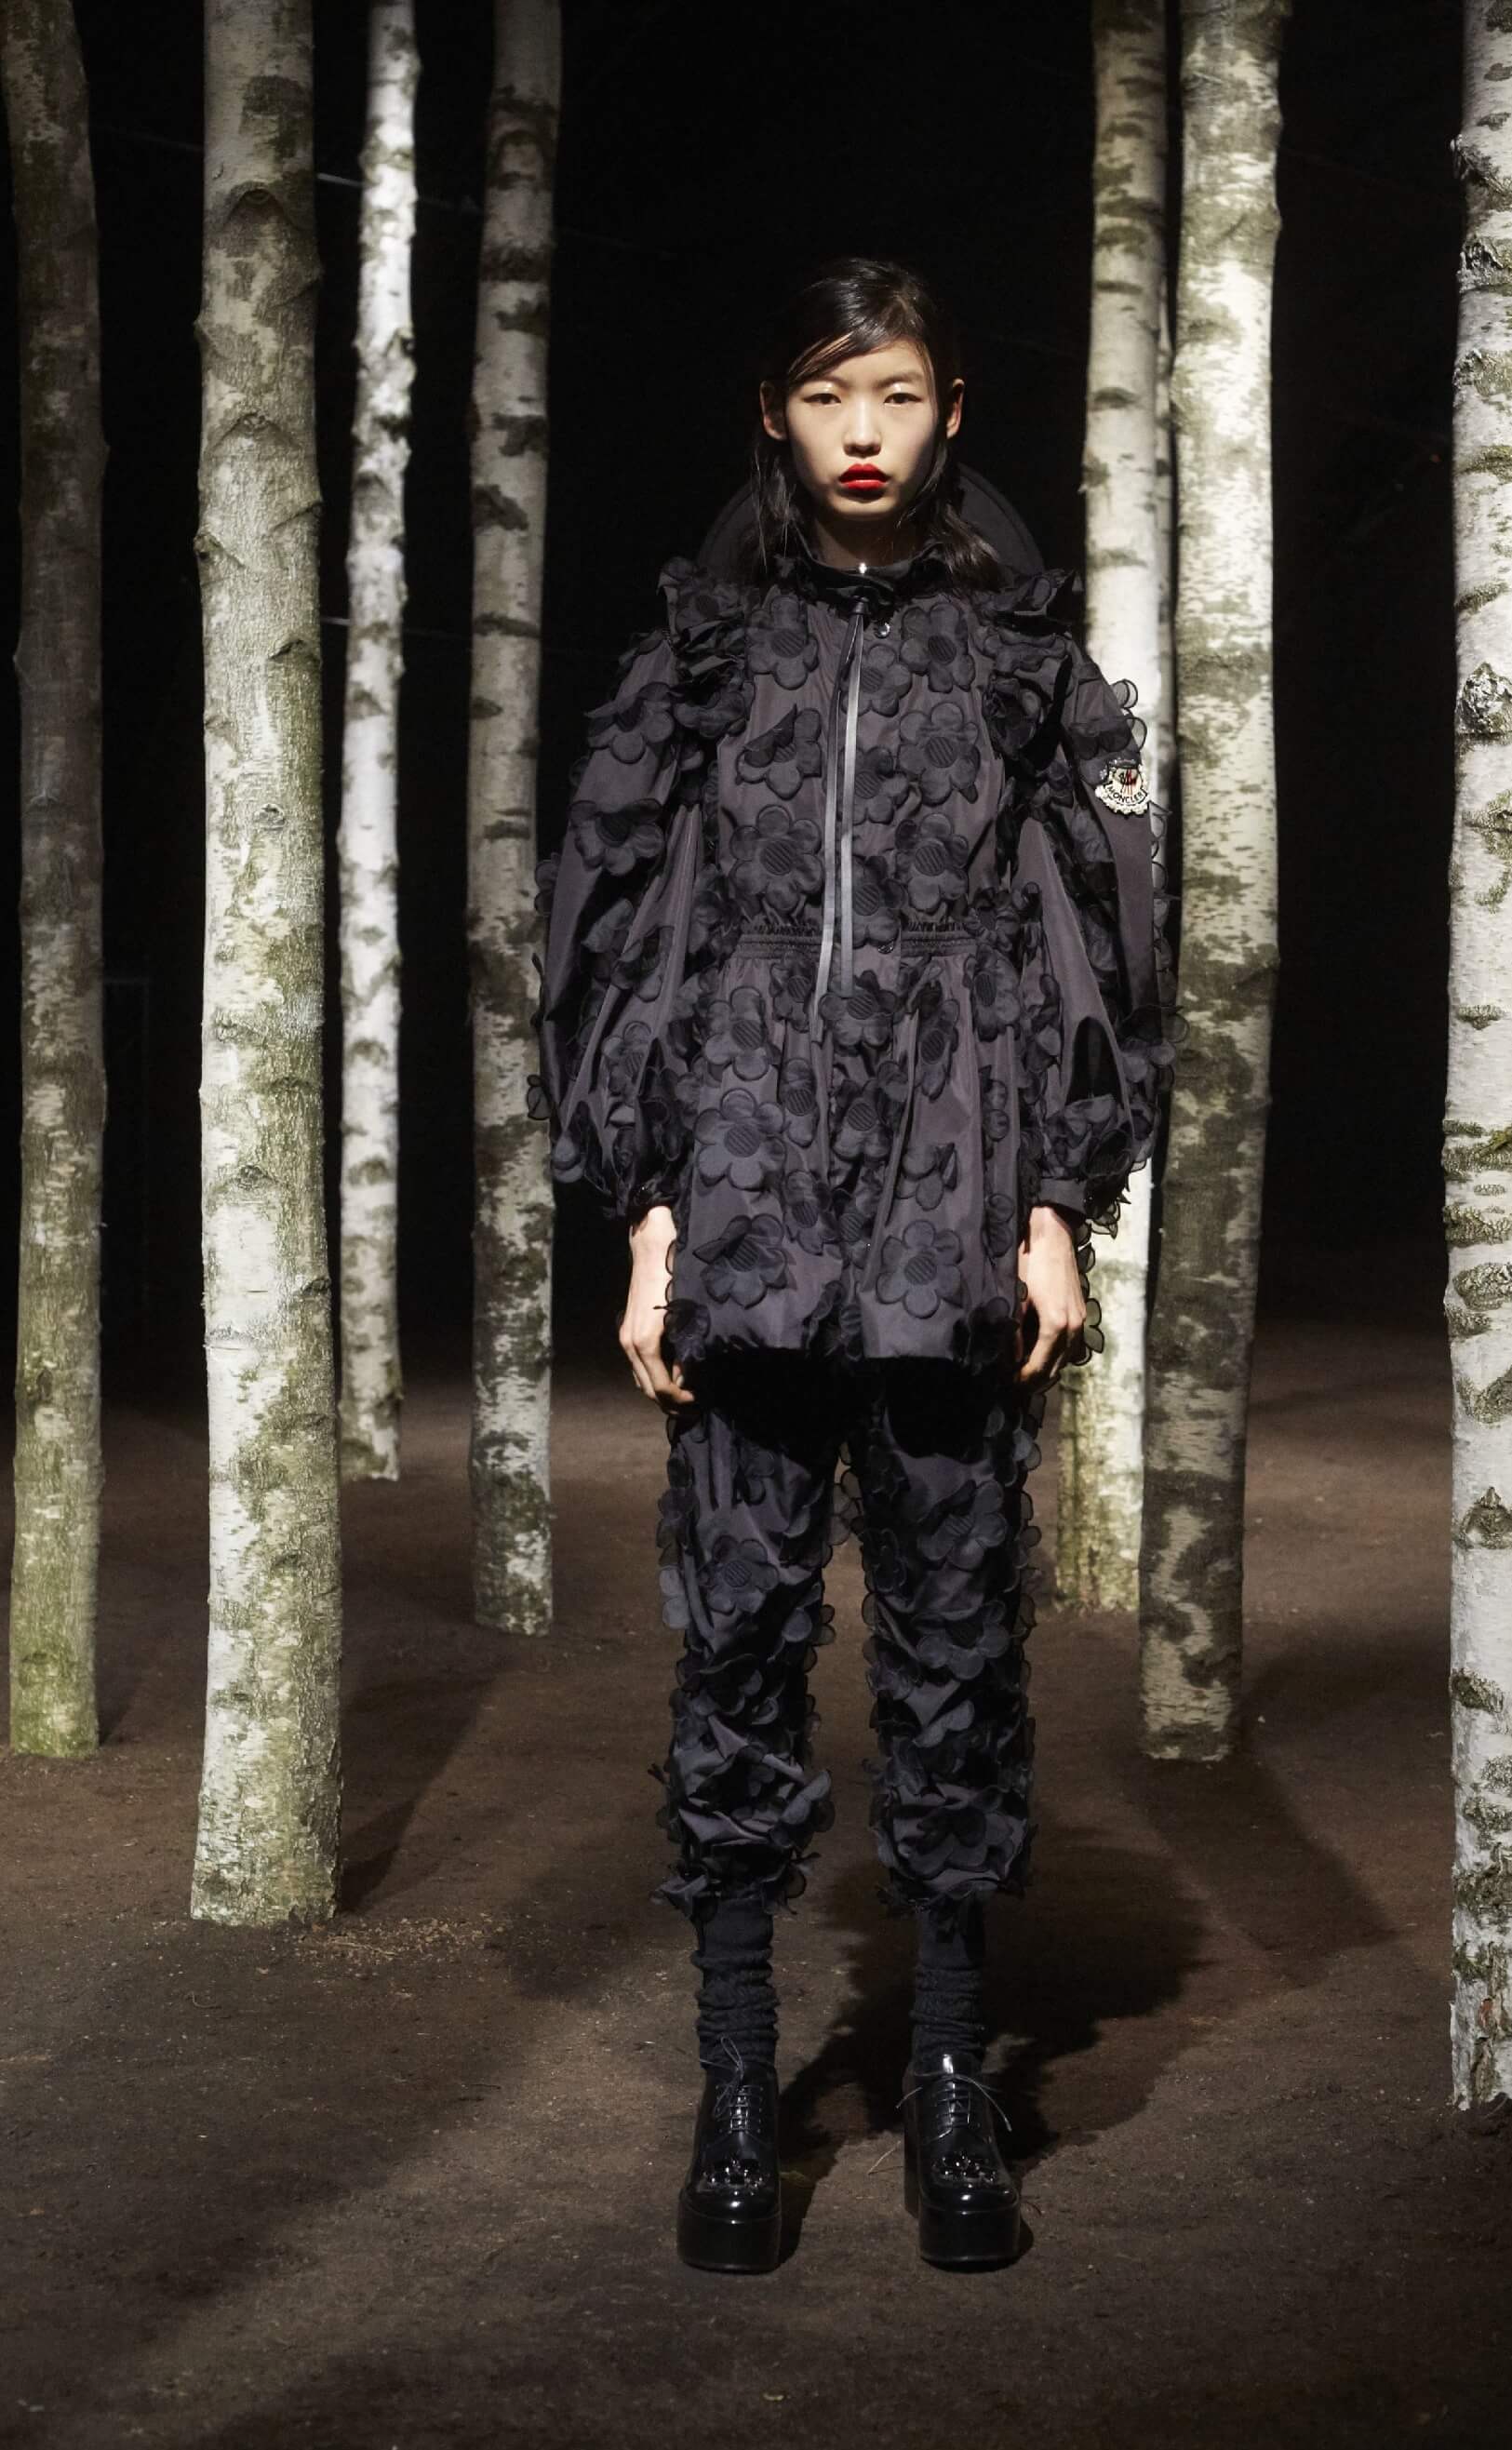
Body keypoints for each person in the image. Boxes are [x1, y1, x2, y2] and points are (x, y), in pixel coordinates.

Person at [529, 256, 1174, 2273]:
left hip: (951, 1215)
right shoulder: (710, 648)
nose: (865, 431)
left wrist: (1060, 1201)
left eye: (896, 392)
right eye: (829, 395)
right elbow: (623, 925)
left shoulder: (1020, 657)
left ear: (950, 408)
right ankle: (739, 2091)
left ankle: (955, 2089)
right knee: (734, 1647)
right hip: (738, 1215)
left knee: (957, 1650)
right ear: (777, 413)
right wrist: (647, 1208)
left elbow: (1092, 938)